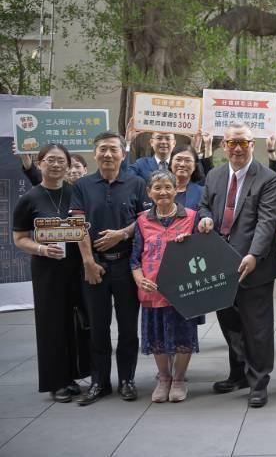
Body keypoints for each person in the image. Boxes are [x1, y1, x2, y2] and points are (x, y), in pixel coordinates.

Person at [198, 122, 276, 408]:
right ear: (224, 146)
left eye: (243, 143)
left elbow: (267, 221)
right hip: (220, 264)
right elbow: (204, 206)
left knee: (256, 328)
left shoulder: (268, 178)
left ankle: (259, 382)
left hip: (252, 266)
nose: (237, 148)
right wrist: (205, 218)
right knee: (229, 324)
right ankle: (238, 374)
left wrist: (254, 255)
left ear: (251, 145)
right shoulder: (214, 175)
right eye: (232, 143)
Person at [70, 131, 151, 406]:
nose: (107, 154)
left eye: (113, 149)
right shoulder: (82, 185)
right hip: (94, 267)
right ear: (95, 154)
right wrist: (88, 263)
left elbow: (145, 222)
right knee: (98, 328)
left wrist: (122, 234)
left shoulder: (137, 183)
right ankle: (99, 382)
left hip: (127, 266)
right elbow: (77, 226)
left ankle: (127, 380)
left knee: (129, 328)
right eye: (102, 149)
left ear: (123, 154)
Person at [12, 144, 91, 403]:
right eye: (50, 160)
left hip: (77, 268)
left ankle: (78, 373)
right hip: (47, 270)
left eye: (61, 161)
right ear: (40, 162)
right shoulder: (30, 198)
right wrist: (40, 249)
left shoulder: (76, 193)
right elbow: (19, 238)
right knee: (52, 325)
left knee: (81, 322)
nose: (56, 165)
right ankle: (57, 382)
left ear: (68, 166)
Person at [131, 170, 199, 403]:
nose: (163, 192)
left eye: (167, 187)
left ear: (175, 190)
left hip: (184, 289)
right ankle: (163, 378)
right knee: (157, 336)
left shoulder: (191, 216)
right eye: (157, 188)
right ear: (149, 192)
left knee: (184, 334)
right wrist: (139, 278)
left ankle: (179, 379)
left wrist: (191, 242)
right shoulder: (142, 220)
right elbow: (134, 257)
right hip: (153, 289)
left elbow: (203, 249)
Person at [170, 144, 204, 210]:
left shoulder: (202, 193)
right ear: (171, 163)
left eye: (188, 160)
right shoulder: (159, 190)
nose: (182, 164)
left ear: (194, 166)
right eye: (178, 159)